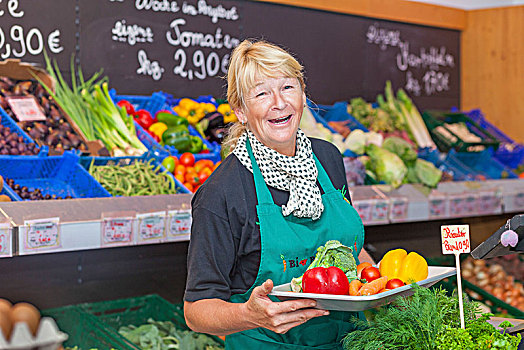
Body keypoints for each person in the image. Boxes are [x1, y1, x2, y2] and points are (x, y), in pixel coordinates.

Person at [184, 39, 373, 349]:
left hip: (350, 341)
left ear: (302, 94)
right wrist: (250, 314)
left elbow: (348, 249)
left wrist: (385, 284)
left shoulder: (328, 158)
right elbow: (196, 311)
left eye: (288, 87)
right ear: (241, 111)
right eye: (261, 93)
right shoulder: (222, 193)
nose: (279, 103)